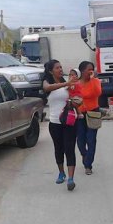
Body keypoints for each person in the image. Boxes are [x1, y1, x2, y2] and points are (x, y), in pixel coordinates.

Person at [42, 60, 79, 191]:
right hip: (54, 123)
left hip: (69, 122)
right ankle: (61, 172)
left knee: (70, 149)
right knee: (59, 149)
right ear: (51, 71)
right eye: (57, 68)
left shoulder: (68, 84)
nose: (60, 69)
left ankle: (70, 179)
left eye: (61, 67)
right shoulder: (48, 82)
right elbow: (47, 88)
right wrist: (66, 84)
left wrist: (75, 102)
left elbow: (76, 97)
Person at [76, 61, 102, 174]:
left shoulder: (95, 81)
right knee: (81, 140)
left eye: (92, 69)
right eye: (88, 69)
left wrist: (92, 79)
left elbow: (97, 93)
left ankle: (88, 165)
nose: (91, 71)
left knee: (91, 139)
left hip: (93, 112)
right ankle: (84, 154)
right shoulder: (76, 83)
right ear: (82, 71)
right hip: (79, 113)